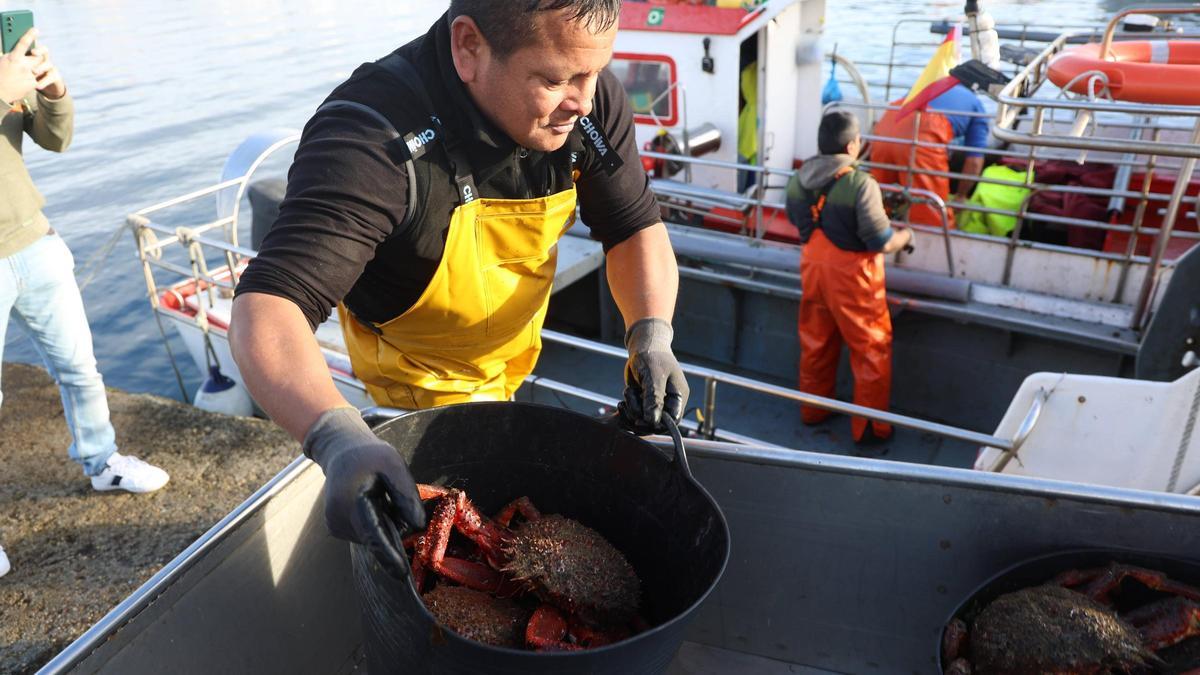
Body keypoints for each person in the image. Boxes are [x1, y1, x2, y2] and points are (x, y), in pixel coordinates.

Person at [230, 0, 688, 576]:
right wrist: (335, 436)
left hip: (509, 369)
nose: (585, 101)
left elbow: (633, 226)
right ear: (469, 47)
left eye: (593, 73)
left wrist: (652, 333)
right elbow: (271, 304)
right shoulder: (371, 137)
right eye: (553, 79)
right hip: (404, 398)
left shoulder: (582, 102)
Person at [0, 29, 170, 577]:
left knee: (80, 368)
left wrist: (51, 90)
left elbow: (56, 138)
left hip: (36, 242)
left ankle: (102, 464)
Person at [785, 110, 913, 443]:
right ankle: (870, 429)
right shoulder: (861, 184)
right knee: (871, 347)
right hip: (854, 280)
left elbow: (800, 225)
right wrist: (906, 236)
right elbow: (881, 242)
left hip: (813, 268)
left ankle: (813, 411)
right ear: (854, 144)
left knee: (816, 342)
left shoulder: (797, 180)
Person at [869, 83, 989, 227]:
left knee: (875, 202)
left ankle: (871, 230)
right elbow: (975, 161)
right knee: (932, 217)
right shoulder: (976, 105)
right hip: (924, 133)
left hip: (887, 125)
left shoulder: (930, 83)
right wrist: (961, 196)